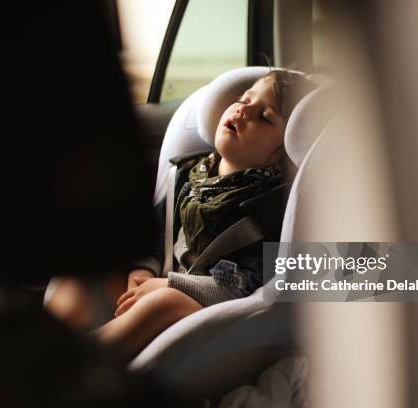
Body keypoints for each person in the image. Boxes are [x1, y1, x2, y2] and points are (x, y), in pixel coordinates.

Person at [47, 69, 314, 359]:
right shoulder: (188, 174)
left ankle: (74, 363)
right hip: (160, 278)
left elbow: (249, 279)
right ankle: (45, 339)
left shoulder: (271, 206)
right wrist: (144, 268)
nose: (244, 109)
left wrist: (170, 283)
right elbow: (155, 231)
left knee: (163, 303)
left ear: (283, 156)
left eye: (265, 117)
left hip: (208, 300)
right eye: (244, 98)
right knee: (87, 271)